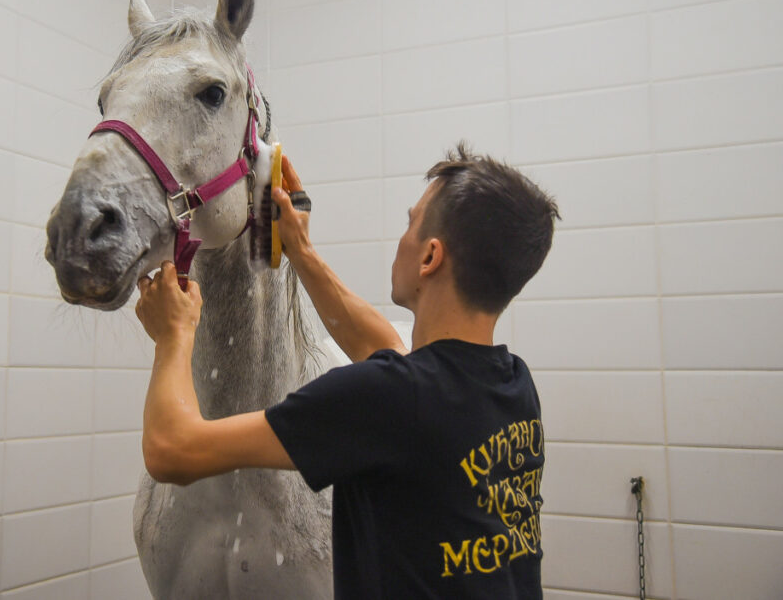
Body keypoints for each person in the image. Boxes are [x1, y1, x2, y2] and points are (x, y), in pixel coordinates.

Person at [134, 143, 560, 599]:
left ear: (430, 257)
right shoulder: (511, 382)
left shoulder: (387, 399)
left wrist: (173, 336)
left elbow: (171, 450)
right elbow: (387, 351)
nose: (403, 237)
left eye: (410, 223)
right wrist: (298, 248)